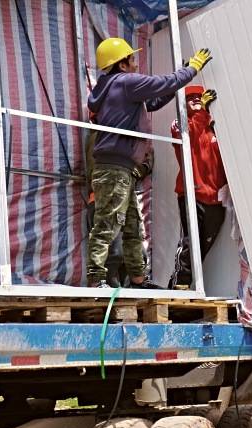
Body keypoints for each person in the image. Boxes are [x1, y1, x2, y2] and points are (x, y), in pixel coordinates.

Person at [85, 37, 212, 288]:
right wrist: (191, 69)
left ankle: (138, 279)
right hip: (115, 170)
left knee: (132, 226)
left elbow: (153, 100)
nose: (135, 65)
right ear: (121, 65)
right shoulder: (125, 82)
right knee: (108, 224)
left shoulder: (113, 88)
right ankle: (95, 279)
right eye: (131, 60)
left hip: (121, 169)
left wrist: (180, 79)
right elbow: (161, 84)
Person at [168, 85, 228, 289]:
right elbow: (188, 137)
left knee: (201, 247)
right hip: (190, 193)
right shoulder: (179, 125)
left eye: (198, 97)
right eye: (190, 97)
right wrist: (202, 111)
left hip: (216, 198)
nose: (195, 100)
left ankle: (184, 287)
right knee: (189, 243)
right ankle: (178, 287)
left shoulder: (215, 128)